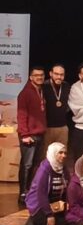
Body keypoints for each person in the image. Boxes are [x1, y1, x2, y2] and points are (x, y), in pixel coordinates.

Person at [24, 142, 69, 225]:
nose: (64, 155)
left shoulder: (63, 168)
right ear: (53, 153)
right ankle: (32, 222)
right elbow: (41, 194)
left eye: (65, 153)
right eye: (60, 153)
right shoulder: (45, 169)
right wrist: (49, 215)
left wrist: (66, 204)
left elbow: (67, 188)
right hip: (40, 204)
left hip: (55, 204)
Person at [17, 67, 47, 205]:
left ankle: (31, 192)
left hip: (39, 134)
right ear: (30, 77)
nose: (39, 77)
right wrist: (24, 134)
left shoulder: (40, 90)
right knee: (27, 165)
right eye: (36, 75)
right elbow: (21, 115)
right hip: (29, 135)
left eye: (41, 75)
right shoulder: (25, 93)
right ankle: (23, 193)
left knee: (35, 165)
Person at [42, 64, 70, 169]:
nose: (59, 77)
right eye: (56, 74)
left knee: (62, 155)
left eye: (62, 75)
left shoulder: (66, 86)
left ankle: (60, 175)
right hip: (47, 127)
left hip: (63, 127)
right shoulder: (44, 86)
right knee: (46, 156)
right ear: (50, 74)